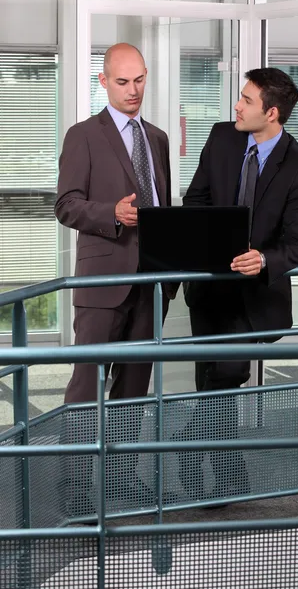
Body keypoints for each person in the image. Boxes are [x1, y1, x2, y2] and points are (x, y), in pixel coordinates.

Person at [179, 67, 298, 502]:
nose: (236, 106)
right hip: (210, 287)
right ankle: (226, 475)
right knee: (214, 378)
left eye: (246, 100)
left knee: (227, 373)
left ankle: (189, 450)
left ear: (271, 112)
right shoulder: (222, 138)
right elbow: (195, 200)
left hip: (254, 295)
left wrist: (263, 259)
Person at [55, 43, 174, 513]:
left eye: (140, 80)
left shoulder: (158, 139)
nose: (133, 91)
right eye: (122, 82)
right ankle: (76, 492)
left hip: (150, 284)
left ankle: (121, 481)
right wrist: (115, 214)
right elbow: (65, 204)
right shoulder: (83, 135)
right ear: (103, 82)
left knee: (133, 388)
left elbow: (162, 208)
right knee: (87, 387)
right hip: (102, 282)